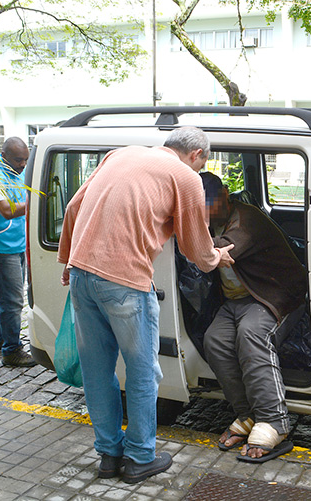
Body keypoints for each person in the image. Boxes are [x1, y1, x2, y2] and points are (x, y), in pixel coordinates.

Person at [57, 127, 235, 484]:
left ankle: (109, 456)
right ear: (197, 154)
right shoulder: (185, 176)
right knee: (142, 374)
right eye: (203, 163)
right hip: (124, 284)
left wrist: (67, 259)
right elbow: (196, 251)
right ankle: (139, 458)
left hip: (81, 276)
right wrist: (217, 257)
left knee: (97, 371)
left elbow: (74, 207)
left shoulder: (119, 154)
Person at [200, 172, 307, 463]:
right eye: (201, 207)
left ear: (224, 194)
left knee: (252, 334)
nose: (208, 212)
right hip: (238, 299)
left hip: (273, 295)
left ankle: (275, 422)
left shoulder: (246, 219)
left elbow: (217, 251)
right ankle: (247, 415)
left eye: (212, 203)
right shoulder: (206, 221)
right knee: (214, 340)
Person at [0, 137, 36, 367]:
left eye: (25, 160)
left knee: (4, 295)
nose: (23, 165)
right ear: (4, 156)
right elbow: (6, 210)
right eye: (18, 160)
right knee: (12, 301)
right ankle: (11, 350)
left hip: (18, 243)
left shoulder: (17, 171)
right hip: (0, 248)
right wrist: (41, 201)